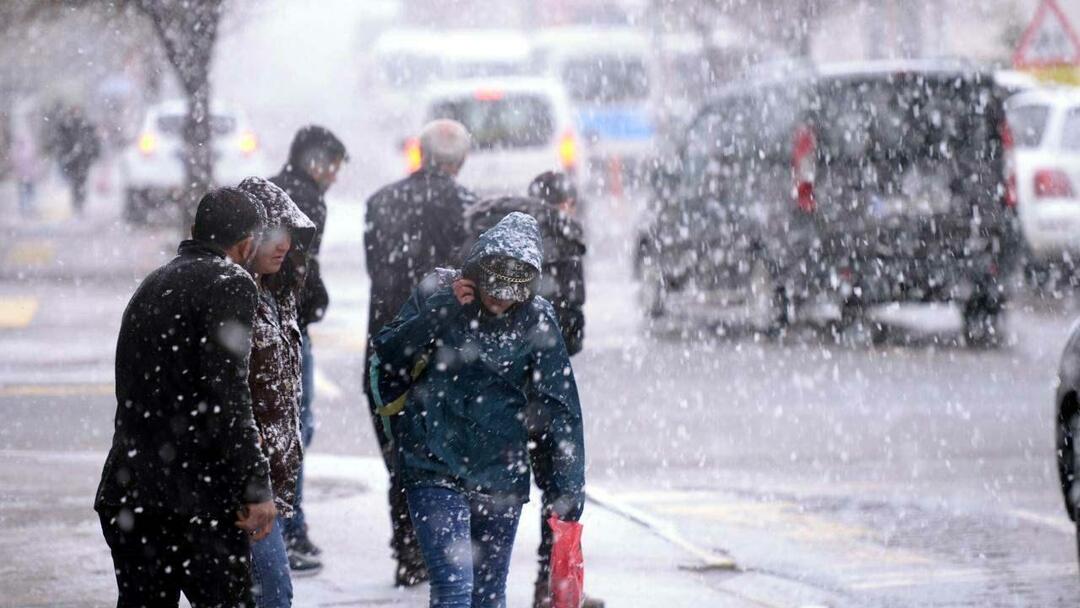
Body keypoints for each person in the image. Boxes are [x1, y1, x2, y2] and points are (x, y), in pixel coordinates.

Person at [370, 212, 586, 608]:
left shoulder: (537, 318)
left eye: (511, 290)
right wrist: (441, 308)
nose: (500, 298)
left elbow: (561, 409)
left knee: (488, 596)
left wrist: (569, 492)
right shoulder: (441, 289)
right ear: (477, 267)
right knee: (453, 591)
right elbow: (389, 353)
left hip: (500, 474)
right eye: (494, 286)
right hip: (434, 466)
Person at [95, 187, 276, 607]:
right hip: (193, 500)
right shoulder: (230, 283)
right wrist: (255, 486)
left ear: (194, 230)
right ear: (248, 243)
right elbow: (227, 395)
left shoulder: (153, 283)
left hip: (131, 491)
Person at [464, 171, 597, 608]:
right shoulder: (563, 235)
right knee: (556, 482)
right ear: (564, 203)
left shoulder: (489, 232)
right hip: (542, 386)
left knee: (486, 486)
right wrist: (548, 350)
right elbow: (574, 321)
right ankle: (549, 583)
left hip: (488, 384)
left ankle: (467, 577)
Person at [363, 118, 477, 586]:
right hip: (443, 348)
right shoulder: (468, 208)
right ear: (460, 160)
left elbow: (378, 268)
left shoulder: (380, 202)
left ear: (422, 153)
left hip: (387, 344)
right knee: (447, 458)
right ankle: (442, 553)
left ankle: (408, 552)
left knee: (398, 453)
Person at [269, 125, 348, 570]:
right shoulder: (305, 198)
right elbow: (303, 269)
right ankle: (287, 533)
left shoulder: (274, 189)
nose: (334, 176)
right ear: (315, 160)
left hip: (273, 323)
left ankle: (288, 530)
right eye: (332, 166)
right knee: (295, 432)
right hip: (288, 327)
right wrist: (317, 303)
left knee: (284, 429)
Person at [238, 177, 318, 605]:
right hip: (247, 491)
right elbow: (232, 403)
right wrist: (251, 486)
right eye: (271, 232)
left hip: (271, 491)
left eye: (289, 233)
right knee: (273, 594)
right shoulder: (234, 298)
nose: (283, 244)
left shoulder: (278, 294)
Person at [53, 106, 101, 214]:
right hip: (74, 162)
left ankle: (80, 203)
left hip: (82, 161)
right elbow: (62, 140)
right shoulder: (69, 127)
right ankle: (77, 204)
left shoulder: (83, 127)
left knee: (80, 183)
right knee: (76, 184)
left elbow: (93, 141)